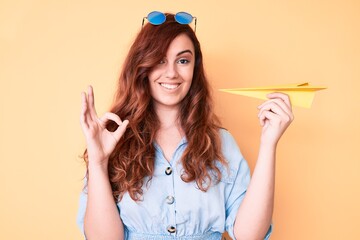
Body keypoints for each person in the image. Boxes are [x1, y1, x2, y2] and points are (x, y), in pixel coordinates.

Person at [76, 12, 294, 240]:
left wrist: (269, 143)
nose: (171, 73)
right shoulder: (112, 141)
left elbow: (249, 235)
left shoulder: (220, 143)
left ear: (194, 68)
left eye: (183, 60)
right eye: (159, 60)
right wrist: (99, 163)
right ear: (142, 66)